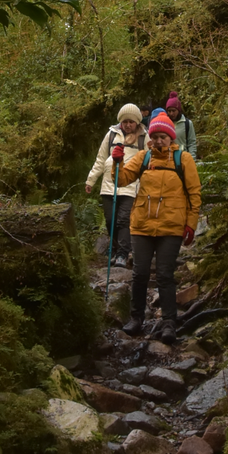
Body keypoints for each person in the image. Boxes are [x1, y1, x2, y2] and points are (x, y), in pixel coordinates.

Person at [110, 115, 201, 345]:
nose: (159, 141)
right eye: (155, 137)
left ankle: (170, 323)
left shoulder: (184, 159)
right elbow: (121, 180)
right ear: (150, 138)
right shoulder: (144, 157)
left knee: (164, 275)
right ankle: (136, 318)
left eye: (163, 137)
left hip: (171, 227)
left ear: (171, 138)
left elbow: (194, 194)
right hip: (142, 225)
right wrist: (117, 162)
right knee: (139, 274)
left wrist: (191, 223)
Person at [86, 103, 146, 268]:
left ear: (137, 123)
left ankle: (122, 254)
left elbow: (149, 160)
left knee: (123, 219)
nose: (128, 125)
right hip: (108, 184)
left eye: (131, 122)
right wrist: (91, 180)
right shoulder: (111, 134)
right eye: (125, 121)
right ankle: (115, 250)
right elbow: (100, 159)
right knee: (110, 219)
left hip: (130, 185)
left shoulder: (143, 137)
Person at [164, 90, 197, 158]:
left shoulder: (187, 124)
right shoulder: (165, 123)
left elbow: (192, 143)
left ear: (178, 110)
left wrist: (192, 159)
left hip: (183, 158)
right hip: (168, 158)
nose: (171, 113)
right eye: (169, 111)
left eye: (173, 111)